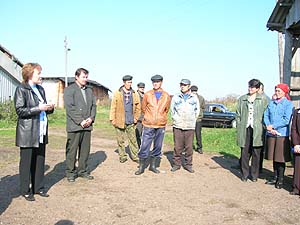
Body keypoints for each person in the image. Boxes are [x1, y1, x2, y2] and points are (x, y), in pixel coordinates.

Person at [14, 63, 54, 201]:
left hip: (41, 130)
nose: (40, 76)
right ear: (30, 74)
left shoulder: (40, 89)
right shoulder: (21, 89)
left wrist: (49, 108)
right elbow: (20, 111)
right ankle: (25, 190)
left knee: (39, 160)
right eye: (38, 73)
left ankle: (39, 187)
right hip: (28, 132)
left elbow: (42, 107)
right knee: (26, 162)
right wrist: (39, 108)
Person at [64, 68, 96, 182]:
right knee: (72, 150)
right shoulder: (69, 90)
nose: (85, 79)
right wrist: (80, 121)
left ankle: (82, 170)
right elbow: (70, 108)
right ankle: (70, 172)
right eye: (83, 77)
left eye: (86, 77)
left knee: (85, 150)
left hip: (87, 126)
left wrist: (91, 119)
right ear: (76, 77)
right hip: (75, 126)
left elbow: (93, 106)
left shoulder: (89, 90)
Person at [135, 74, 171, 175]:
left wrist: (160, 117)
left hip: (160, 125)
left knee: (158, 146)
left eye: (157, 82)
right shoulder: (147, 94)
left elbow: (166, 109)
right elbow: (143, 108)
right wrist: (149, 116)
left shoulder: (166, 96)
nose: (155, 84)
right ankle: (141, 167)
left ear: (161, 83)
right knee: (144, 145)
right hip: (148, 124)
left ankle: (153, 166)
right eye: (154, 82)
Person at [236, 79, 268, 182]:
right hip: (245, 128)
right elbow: (238, 114)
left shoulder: (263, 99)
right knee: (244, 151)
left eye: (253, 87)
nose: (250, 88)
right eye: (249, 86)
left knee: (256, 152)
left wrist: (263, 126)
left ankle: (254, 174)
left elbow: (266, 114)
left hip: (258, 128)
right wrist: (240, 124)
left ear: (257, 89)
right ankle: (244, 173)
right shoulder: (242, 99)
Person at [264, 83, 293, 189]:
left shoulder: (288, 104)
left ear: (285, 93)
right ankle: (274, 177)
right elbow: (266, 115)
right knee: (273, 157)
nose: (277, 93)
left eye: (279, 91)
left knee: (280, 158)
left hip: (281, 134)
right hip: (271, 133)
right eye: (276, 90)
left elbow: (286, 119)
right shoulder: (271, 103)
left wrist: (274, 126)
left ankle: (280, 179)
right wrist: (268, 126)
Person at [170, 79, 200, 173]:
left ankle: (188, 165)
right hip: (178, 125)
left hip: (189, 126)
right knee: (177, 147)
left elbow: (197, 111)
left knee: (189, 147)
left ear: (189, 86)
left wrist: (192, 121)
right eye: (181, 85)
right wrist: (176, 120)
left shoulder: (194, 98)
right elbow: (172, 110)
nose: (182, 86)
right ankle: (176, 164)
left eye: (185, 85)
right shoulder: (176, 97)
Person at [109, 75, 141, 163]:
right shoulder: (117, 93)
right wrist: (112, 119)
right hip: (119, 120)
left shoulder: (134, 93)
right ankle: (122, 156)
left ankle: (135, 156)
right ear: (124, 83)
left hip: (131, 121)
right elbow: (113, 107)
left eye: (131, 82)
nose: (130, 84)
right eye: (128, 82)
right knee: (120, 140)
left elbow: (138, 107)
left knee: (133, 140)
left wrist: (136, 118)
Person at [257, 82, 271, 173]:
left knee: (259, 148)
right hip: (255, 126)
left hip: (262, 127)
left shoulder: (266, 99)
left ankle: (259, 167)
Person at [190, 85, 205, 154]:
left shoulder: (201, 98)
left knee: (198, 134)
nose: (194, 92)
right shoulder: (188, 97)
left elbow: (203, 107)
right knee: (189, 134)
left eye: (195, 91)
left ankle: (199, 147)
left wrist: (200, 115)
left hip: (198, 119)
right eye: (193, 91)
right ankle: (188, 147)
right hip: (190, 119)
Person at [290, 107, 300, 196]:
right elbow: (294, 129)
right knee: (297, 166)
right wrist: (296, 143)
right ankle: (296, 187)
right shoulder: (297, 112)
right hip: (298, 144)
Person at [135, 82, 145, 148]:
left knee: (144, 134)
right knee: (138, 133)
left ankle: (143, 147)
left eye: (143, 87)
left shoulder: (145, 95)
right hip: (138, 118)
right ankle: (139, 147)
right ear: (138, 88)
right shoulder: (135, 95)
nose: (142, 89)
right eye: (141, 87)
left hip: (145, 117)